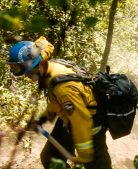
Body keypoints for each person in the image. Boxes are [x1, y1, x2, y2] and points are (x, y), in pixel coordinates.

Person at [6, 36, 112, 169]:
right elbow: (57, 101)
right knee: (50, 158)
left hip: (90, 127)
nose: (25, 75)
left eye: (23, 70)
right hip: (69, 120)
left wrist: (84, 155)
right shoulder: (50, 69)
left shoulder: (64, 88)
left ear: (34, 64)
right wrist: (43, 119)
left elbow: (81, 120)